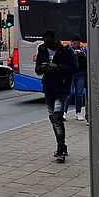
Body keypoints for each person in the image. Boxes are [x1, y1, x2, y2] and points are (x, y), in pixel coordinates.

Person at [35, 30, 77, 162]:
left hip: (61, 87)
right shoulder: (42, 50)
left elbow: (73, 68)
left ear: (54, 40)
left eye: (49, 42)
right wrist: (43, 68)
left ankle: (60, 150)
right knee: (53, 119)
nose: (47, 44)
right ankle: (62, 145)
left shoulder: (65, 50)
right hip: (48, 88)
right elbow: (37, 69)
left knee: (57, 116)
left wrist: (58, 67)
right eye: (45, 42)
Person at [64, 34, 87, 123]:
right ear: (72, 42)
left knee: (79, 94)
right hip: (71, 74)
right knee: (68, 93)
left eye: (78, 42)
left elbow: (85, 60)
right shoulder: (68, 49)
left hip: (80, 74)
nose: (76, 44)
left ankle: (78, 112)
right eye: (75, 43)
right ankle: (64, 112)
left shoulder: (83, 49)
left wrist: (80, 54)